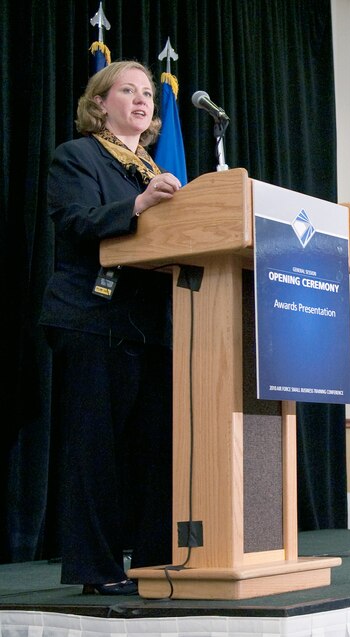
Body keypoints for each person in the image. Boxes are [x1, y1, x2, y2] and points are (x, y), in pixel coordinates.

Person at [42, 61, 183, 595]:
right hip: (92, 317)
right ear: (100, 103)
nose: (143, 99)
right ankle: (96, 571)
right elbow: (75, 221)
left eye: (147, 92)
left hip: (151, 326)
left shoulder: (153, 170)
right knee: (94, 450)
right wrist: (139, 205)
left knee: (155, 450)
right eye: (128, 90)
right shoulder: (78, 156)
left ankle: (153, 562)